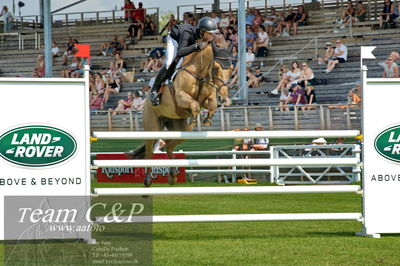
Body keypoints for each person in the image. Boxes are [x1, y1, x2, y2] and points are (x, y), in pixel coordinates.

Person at [149, 17, 218, 106]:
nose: (212, 36)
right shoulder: (187, 34)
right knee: (170, 63)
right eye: (210, 33)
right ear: (202, 31)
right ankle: (154, 90)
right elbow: (180, 52)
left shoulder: (204, 36)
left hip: (187, 43)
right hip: (174, 40)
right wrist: (196, 46)